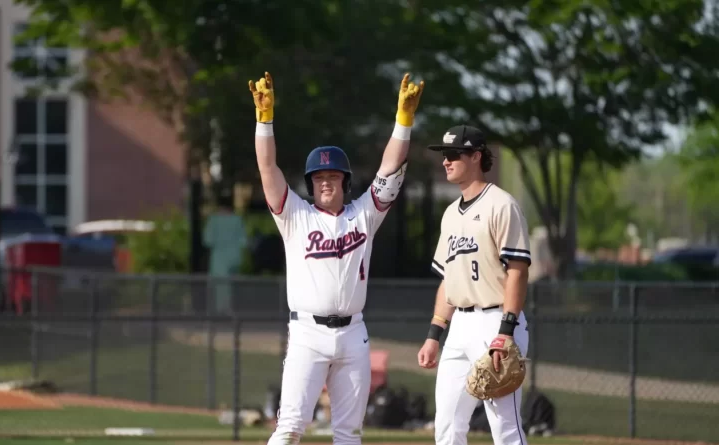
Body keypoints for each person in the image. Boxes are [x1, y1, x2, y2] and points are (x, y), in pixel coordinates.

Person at [248, 71, 424, 445]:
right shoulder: (295, 216)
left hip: (353, 334)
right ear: (310, 184)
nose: (325, 181)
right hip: (307, 334)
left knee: (348, 433)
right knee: (290, 427)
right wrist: (265, 122)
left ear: (345, 181)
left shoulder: (364, 214)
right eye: (318, 176)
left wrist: (403, 122)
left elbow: (388, 169)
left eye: (333, 175)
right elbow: (268, 169)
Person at [416, 125, 532, 445]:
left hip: (495, 321)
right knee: (448, 424)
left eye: (453, 154)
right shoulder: (451, 214)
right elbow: (448, 280)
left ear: (476, 156)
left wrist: (505, 332)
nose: (446, 161)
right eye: (444, 155)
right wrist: (433, 335)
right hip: (460, 328)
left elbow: (517, 271)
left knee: (504, 426)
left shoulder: (501, 205)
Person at [202, 193, 247, 313]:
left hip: (219, 259)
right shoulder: (237, 219)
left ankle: (222, 311)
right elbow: (244, 241)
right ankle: (235, 311)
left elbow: (207, 240)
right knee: (234, 286)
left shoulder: (214, 220)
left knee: (220, 287)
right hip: (236, 257)